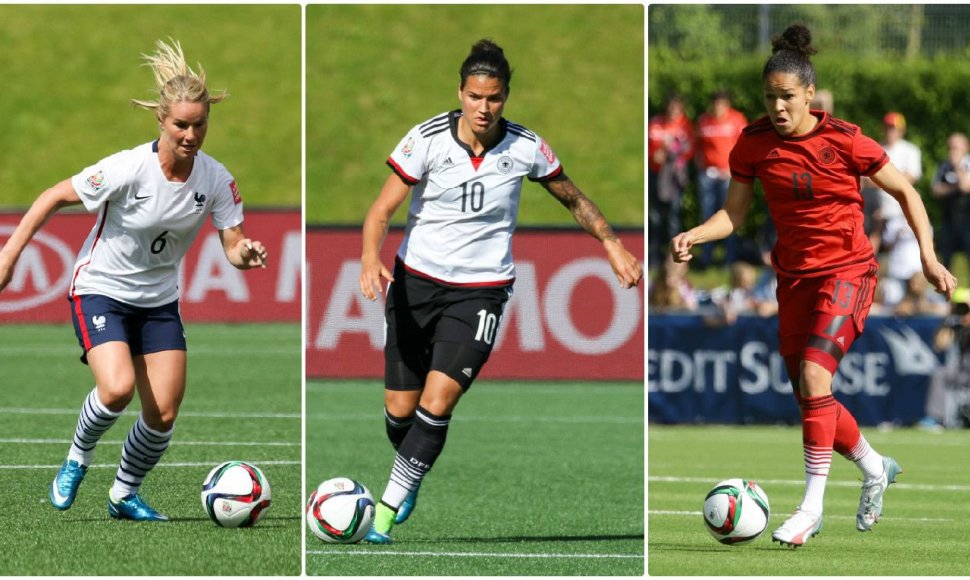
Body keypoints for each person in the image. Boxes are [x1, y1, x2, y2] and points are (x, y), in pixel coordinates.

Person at [670, 24, 956, 548]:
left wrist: (930, 258)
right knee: (809, 393)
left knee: (813, 375)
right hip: (794, 280)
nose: (777, 107)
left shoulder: (846, 139)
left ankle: (810, 509)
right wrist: (694, 232)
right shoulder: (753, 143)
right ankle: (873, 466)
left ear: (808, 94)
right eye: (769, 97)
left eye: (786, 97)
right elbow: (732, 216)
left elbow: (908, 195)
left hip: (849, 272)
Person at [357, 39, 642, 544]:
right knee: (400, 414)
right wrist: (367, 257)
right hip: (414, 284)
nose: (483, 108)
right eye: (473, 97)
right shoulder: (425, 140)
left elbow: (573, 198)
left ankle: (385, 509)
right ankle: (411, 471)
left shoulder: (526, 147)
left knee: (439, 400)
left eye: (493, 98)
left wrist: (613, 245)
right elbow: (381, 210)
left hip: (480, 293)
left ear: (505, 96)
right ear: (460, 93)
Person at [0, 39, 268, 521]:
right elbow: (50, 196)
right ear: (161, 121)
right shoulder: (127, 168)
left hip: (159, 302)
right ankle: (76, 460)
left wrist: (244, 253)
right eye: (180, 124)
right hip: (100, 289)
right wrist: (9, 257)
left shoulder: (216, 179)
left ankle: (124, 494)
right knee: (117, 388)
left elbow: (233, 241)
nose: (190, 134)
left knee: (162, 414)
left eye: (199, 124)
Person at [694, 90, 747, 269]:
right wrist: (701, 166)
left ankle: (729, 258)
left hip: (728, 175)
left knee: (729, 215)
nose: (717, 106)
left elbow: (744, 146)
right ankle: (706, 258)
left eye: (721, 103)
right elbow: (698, 147)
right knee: (707, 216)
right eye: (715, 103)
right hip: (708, 174)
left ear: (727, 104)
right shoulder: (703, 121)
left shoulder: (737, 119)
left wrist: (734, 168)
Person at [648, 93, 693, 267]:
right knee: (656, 217)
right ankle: (654, 256)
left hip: (674, 178)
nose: (673, 112)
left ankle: (674, 256)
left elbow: (690, 149)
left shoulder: (684, 125)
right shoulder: (655, 123)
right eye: (671, 109)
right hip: (656, 175)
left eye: (676, 109)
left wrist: (674, 155)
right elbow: (649, 147)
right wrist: (655, 155)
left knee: (674, 217)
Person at [930, 132, 970, 269]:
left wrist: (958, 166)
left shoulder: (967, 164)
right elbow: (935, 190)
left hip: (967, 220)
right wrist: (955, 188)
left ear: (966, 147)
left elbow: (965, 186)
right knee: (946, 258)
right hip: (948, 219)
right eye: (950, 148)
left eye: (956, 148)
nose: (952, 151)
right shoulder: (943, 166)